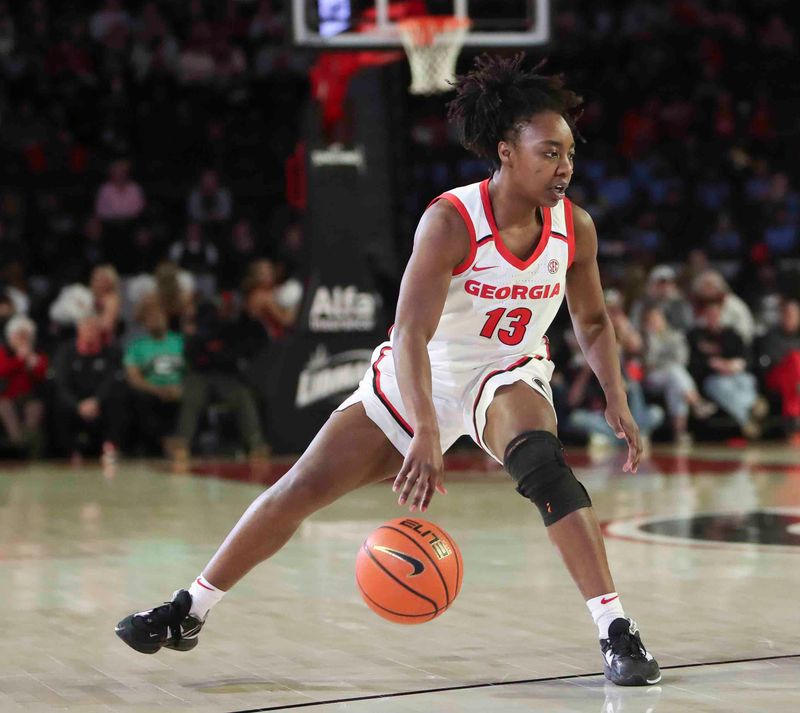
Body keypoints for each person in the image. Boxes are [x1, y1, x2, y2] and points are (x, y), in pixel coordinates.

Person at [116, 55, 660, 687]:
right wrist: (426, 430)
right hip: (421, 369)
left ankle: (615, 629)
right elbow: (410, 331)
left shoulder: (576, 229)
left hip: (504, 373)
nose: (564, 168)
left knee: (544, 464)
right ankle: (190, 609)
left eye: (569, 153)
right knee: (300, 488)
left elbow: (591, 323)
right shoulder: (452, 221)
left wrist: (615, 395)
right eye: (549, 153)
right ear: (507, 151)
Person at [688, 301, 767, 438]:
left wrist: (734, 364)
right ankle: (750, 410)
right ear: (704, 317)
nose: (713, 317)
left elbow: (747, 357)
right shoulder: (696, 335)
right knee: (720, 387)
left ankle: (747, 415)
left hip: (735, 374)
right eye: (709, 315)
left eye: (716, 314)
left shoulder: (732, 334)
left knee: (748, 380)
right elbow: (693, 363)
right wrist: (712, 364)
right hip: (712, 377)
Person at [641, 305, 716, 444]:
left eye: (657, 319)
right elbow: (648, 363)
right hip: (650, 379)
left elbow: (682, 359)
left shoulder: (675, 336)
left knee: (675, 383)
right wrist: (652, 339)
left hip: (670, 375)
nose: (654, 322)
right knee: (675, 373)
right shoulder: (644, 338)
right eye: (651, 320)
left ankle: (679, 433)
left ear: (664, 320)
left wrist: (662, 363)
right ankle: (696, 402)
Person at [124, 296, 184, 455]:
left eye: (159, 314)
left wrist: (180, 388)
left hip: (179, 390)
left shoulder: (181, 342)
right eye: (150, 316)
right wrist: (156, 390)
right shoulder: (137, 347)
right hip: (150, 393)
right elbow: (133, 377)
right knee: (139, 399)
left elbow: (192, 372)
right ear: (144, 322)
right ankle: (161, 444)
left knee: (192, 396)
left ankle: (183, 443)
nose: (156, 319)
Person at [0, 315, 48, 455]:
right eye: (18, 335)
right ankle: (17, 444)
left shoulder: (37, 354)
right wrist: (20, 360)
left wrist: (32, 363)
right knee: (5, 408)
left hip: (30, 397)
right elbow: (2, 371)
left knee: (35, 408)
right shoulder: (4, 353)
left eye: (25, 335)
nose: (22, 339)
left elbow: (41, 375)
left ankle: (27, 446)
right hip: (6, 397)